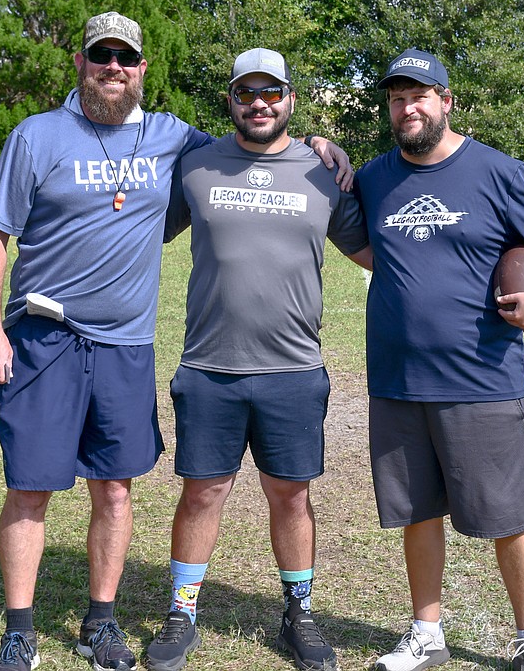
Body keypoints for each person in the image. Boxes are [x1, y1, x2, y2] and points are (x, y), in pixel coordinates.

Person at [0, 13, 351, 671]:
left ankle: (102, 622)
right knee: (30, 487)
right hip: (45, 335)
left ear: (143, 68)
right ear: (81, 63)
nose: (113, 67)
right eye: (101, 55)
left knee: (116, 489)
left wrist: (323, 144)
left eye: (125, 57)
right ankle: (21, 631)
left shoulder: (174, 137)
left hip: (127, 345)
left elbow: (261, 146)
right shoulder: (40, 137)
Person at [352, 48, 524, 671]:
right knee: (417, 510)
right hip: (398, 378)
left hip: (481, 376)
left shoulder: (495, 170)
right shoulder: (376, 176)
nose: (409, 107)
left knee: (509, 514)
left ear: (446, 101)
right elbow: (364, 244)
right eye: (398, 97)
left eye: (421, 95)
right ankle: (426, 632)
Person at [143, 48, 372, 671]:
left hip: (294, 369)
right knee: (201, 493)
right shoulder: (196, 165)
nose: (260, 103)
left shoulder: (324, 173)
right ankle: (182, 612)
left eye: (272, 92)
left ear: (291, 99)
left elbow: (376, 255)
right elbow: (137, 227)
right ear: (232, 101)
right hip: (209, 366)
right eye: (248, 93)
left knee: (290, 496)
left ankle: (299, 611)